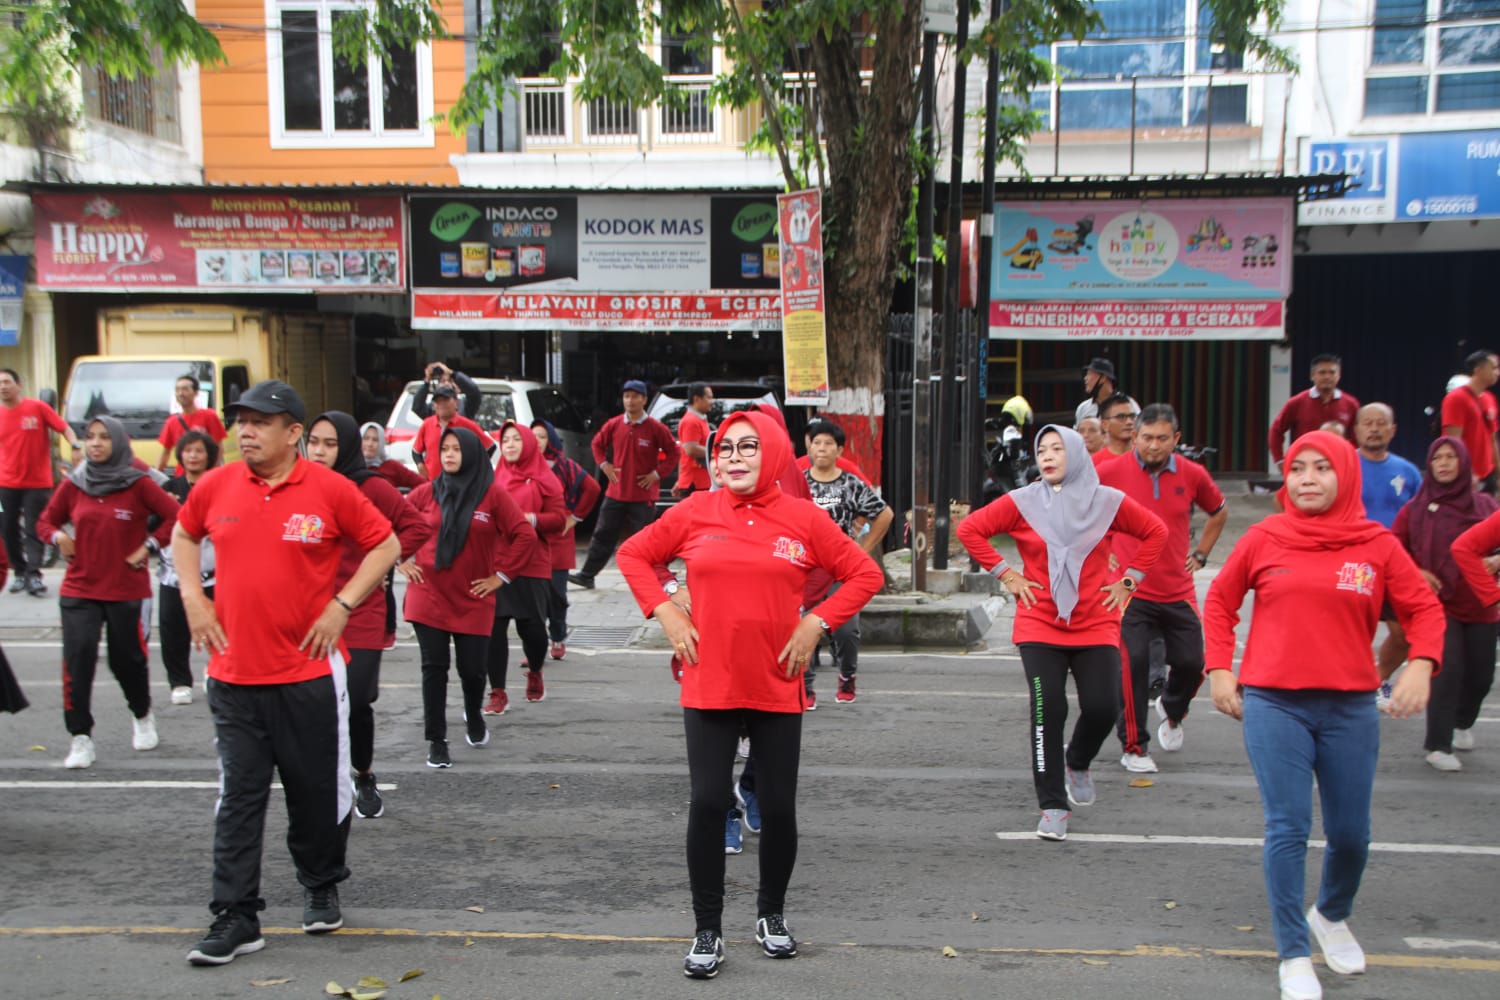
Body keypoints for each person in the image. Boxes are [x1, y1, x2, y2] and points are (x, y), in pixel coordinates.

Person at [616, 410, 883, 980]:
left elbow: (863, 574)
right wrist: (666, 610)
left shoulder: (803, 519)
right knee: (709, 803)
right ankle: (707, 928)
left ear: (774, 456)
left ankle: (771, 916)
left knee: (780, 809)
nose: (734, 457)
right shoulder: (693, 511)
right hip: (709, 678)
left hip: (776, 681)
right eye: (725, 449)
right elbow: (633, 555)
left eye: (748, 447)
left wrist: (816, 624)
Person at [1202, 430, 1444, 1000]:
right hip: (1273, 702)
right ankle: (1293, 952)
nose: (1308, 478)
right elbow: (1219, 601)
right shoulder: (1265, 537)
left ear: (1345, 475)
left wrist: (1421, 663)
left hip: (1350, 706)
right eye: (1297, 469)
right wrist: (1219, 669)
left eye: (1321, 468)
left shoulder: (1376, 543)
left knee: (1351, 835)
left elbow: (1424, 608)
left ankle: (1330, 915)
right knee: (1288, 827)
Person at [172, 380, 400, 966]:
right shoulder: (216, 484)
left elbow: (385, 545)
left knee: (316, 792)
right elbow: (182, 532)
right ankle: (235, 916)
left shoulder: (328, 488)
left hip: (308, 676)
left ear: (293, 433)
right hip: (233, 677)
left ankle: (320, 882)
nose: (245, 431)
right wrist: (195, 600)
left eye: (259, 422)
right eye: (241, 421)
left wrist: (341, 604)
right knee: (240, 798)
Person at [957, 426, 1166, 842]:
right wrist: (1007, 574)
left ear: (1076, 453)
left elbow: (1155, 532)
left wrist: (1128, 582)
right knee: (1047, 709)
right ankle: (1052, 805)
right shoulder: (1023, 502)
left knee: (1104, 708)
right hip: (1039, 622)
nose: (1048, 457)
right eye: (1042, 451)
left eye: (1057, 449)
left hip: (1096, 620)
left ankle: (1078, 760)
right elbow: (970, 530)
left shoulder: (1107, 502)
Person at [305, 411, 431, 818]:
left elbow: (414, 525)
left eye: (329, 443)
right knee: (314, 702)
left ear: (347, 446)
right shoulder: (299, 487)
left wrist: (383, 562)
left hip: (359, 611)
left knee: (357, 699)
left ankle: (363, 773)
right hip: (309, 612)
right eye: (314, 442)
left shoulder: (372, 487)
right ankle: (327, 776)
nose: (319, 451)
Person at [36, 415, 180, 770]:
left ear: (118, 442)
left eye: (104, 437)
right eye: (90, 437)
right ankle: (81, 737)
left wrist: (148, 545)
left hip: (124, 588)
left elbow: (177, 516)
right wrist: (59, 537)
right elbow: (45, 521)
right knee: (78, 659)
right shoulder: (75, 483)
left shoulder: (138, 483)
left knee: (126, 659)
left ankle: (142, 714)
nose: (95, 443)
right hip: (79, 587)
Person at [1099, 404, 1227, 773]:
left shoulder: (1193, 474)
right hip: (1129, 591)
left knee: (1193, 663)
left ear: (1176, 439)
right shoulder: (1109, 471)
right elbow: (1083, 509)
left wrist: (1201, 553)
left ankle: (1172, 709)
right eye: (1146, 437)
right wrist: (1101, 548)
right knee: (1133, 663)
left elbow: (1218, 511)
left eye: (1161, 438)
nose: (1153, 446)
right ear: (1134, 436)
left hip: (1177, 589)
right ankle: (1134, 746)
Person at [400, 427, 538, 767]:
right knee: (434, 667)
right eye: (443, 449)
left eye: (456, 449)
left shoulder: (491, 495)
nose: (448, 455)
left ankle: (473, 713)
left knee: (473, 671)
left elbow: (524, 534)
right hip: (427, 594)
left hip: (473, 597)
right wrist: (401, 559)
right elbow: (389, 522)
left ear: (472, 455)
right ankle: (437, 739)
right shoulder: (425, 493)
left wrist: (500, 576)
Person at [1392, 438, 1497, 771]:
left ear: (1463, 463)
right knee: (1446, 671)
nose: (1444, 463)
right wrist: (1417, 571)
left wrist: (1496, 561)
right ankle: (1438, 744)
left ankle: (1462, 722)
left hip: (1482, 604)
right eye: (1437, 457)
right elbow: (1392, 549)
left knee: (1481, 675)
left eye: (1452, 457)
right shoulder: (1416, 508)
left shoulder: (1485, 506)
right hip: (1438, 605)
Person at [803, 420, 893, 704]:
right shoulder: (799, 482)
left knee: (845, 629)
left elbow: (885, 514)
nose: (822, 448)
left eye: (829, 443)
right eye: (817, 443)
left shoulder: (851, 484)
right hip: (804, 567)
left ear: (839, 449)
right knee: (800, 626)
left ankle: (847, 675)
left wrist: (863, 550)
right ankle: (804, 687)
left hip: (840, 566)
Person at [569, 379, 678, 590]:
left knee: (646, 540)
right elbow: (597, 444)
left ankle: (654, 578)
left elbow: (674, 453)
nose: (630, 400)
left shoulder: (656, 428)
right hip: (615, 493)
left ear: (644, 399)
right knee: (603, 535)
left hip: (643, 495)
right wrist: (604, 465)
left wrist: (657, 474)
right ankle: (587, 575)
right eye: (627, 396)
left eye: (635, 396)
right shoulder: (614, 424)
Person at [486, 421, 565, 712]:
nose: (509, 445)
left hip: (532, 562)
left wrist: (530, 519)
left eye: (516, 439)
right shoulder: (493, 479)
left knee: (532, 629)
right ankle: (497, 692)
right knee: (493, 628)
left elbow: (559, 520)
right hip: (498, 562)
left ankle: (534, 671)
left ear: (529, 444)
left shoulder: (545, 478)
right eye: (505, 440)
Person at [1352, 403, 1423, 707]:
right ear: (1356, 429)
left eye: (1382, 423)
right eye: (1368, 423)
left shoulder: (1407, 471)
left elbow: (1421, 520)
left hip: (1395, 565)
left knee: (1407, 633)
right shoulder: (1343, 465)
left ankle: (1377, 680)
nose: (1374, 428)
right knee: (1349, 630)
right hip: (1354, 564)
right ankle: (1347, 683)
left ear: (1393, 430)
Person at [0, 368, 80, 597]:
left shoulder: (37, 408)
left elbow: (65, 428)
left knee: (35, 527)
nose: (3, 387)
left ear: (19, 384)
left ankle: (34, 574)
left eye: (7, 382)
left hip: (37, 482)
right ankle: (19, 573)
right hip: (5, 483)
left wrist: (75, 446)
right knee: (7, 528)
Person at [156, 430, 220, 706]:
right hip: (174, 573)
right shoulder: (169, 488)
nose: (193, 456)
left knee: (219, 625)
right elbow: (152, 525)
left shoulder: (219, 487)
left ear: (209, 456)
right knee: (173, 628)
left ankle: (215, 671)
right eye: (188, 451)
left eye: (199, 451)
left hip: (213, 572)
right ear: (180, 454)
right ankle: (179, 681)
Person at [531, 419, 600, 660]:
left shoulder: (563, 466)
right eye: (533, 436)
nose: (537, 441)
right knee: (533, 597)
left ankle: (558, 636)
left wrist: (576, 517)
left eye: (541, 436)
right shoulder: (522, 467)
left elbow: (592, 488)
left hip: (559, 539)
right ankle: (534, 647)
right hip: (530, 540)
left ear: (550, 439)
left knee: (556, 595)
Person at [1268, 354, 1360, 468]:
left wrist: (1353, 459)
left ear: (1339, 375)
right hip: (1305, 465)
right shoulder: (1297, 402)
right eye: (1322, 372)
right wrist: (1279, 461)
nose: (1327, 377)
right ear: (1312, 376)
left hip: (1339, 465)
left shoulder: (1350, 404)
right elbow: (1276, 431)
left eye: (1332, 372)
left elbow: (1358, 436)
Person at [1441, 350, 1500, 494]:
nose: (1497, 372)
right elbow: (1454, 442)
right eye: (1493, 368)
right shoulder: (1456, 398)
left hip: (1487, 475)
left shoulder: (1489, 399)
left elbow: (1493, 440)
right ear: (1478, 369)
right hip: (1464, 477)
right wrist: (1468, 474)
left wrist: (1498, 474)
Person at [410, 384, 494, 481]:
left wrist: (474, 470)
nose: (442, 404)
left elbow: (489, 447)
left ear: (456, 403)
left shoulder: (467, 425)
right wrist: (420, 465)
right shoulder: (427, 424)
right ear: (433, 406)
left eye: (445, 400)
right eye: (438, 401)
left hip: (460, 485)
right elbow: (416, 451)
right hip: (433, 484)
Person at [156, 374, 227, 472]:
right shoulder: (171, 421)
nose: (180, 393)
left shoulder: (209, 416)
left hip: (206, 475)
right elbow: (165, 452)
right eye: (177, 390)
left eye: (185, 389)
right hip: (183, 477)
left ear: (196, 393)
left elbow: (219, 447)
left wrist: (212, 471)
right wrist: (156, 475)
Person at [673, 383, 714, 499]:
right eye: (709, 397)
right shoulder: (691, 421)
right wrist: (715, 453)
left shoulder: (699, 419)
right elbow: (691, 449)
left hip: (699, 482)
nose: (712, 401)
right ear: (697, 399)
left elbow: (683, 454)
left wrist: (680, 480)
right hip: (695, 484)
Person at [360, 422, 424, 491]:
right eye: (366, 438)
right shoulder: (352, 465)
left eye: (375, 440)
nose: (370, 444)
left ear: (381, 443)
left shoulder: (391, 466)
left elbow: (423, 484)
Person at [411, 361, 482, 421]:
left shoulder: (466, 405)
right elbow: (417, 407)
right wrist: (427, 381)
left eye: (450, 381)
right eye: (443, 381)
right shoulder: (432, 408)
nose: (446, 384)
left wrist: (452, 373)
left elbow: (473, 392)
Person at [1075, 358, 1137, 424]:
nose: (1085, 378)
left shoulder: (1128, 404)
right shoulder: (1083, 408)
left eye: (1089, 374)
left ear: (1103, 378)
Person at [1092, 393, 1136, 467]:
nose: (1129, 422)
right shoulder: (1094, 463)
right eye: (1121, 417)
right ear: (1105, 425)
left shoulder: (1146, 457)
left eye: (1132, 416)